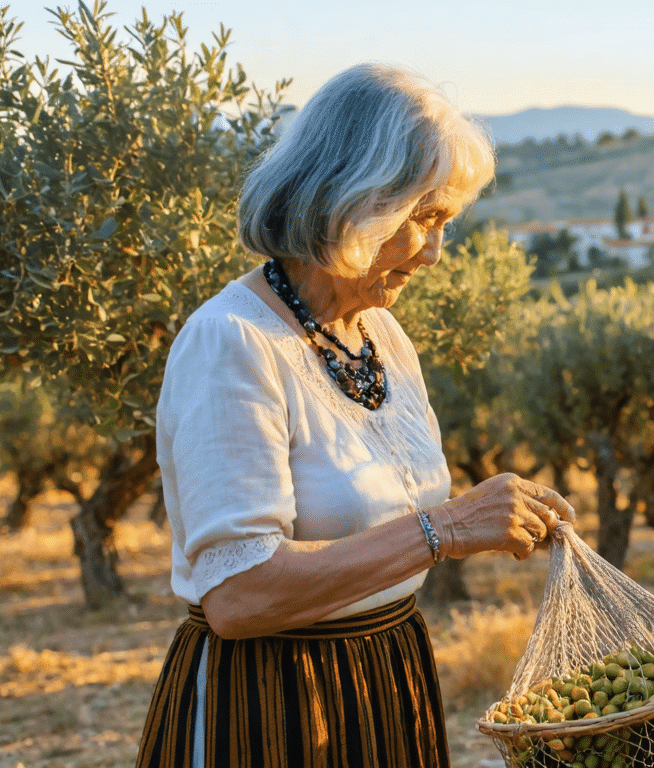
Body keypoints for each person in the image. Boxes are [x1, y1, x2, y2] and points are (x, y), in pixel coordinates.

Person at [135, 63, 575, 768]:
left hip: (387, 675)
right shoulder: (233, 342)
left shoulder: (380, 334)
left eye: (445, 224)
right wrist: (448, 527)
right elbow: (239, 596)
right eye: (423, 218)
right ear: (352, 199)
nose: (434, 253)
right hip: (271, 703)